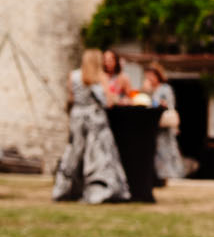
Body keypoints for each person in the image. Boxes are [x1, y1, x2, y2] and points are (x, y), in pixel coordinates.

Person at [52, 47, 128, 203]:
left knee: (75, 152)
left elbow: (71, 99)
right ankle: (100, 190)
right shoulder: (100, 77)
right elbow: (108, 102)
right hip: (95, 119)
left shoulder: (73, 76)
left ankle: (66, 189)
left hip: (77, 117)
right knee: (98, 154)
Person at [144, 65, 185, 184]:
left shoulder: (165, 89)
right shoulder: (151, 90)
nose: (150, 78)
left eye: (152, 75)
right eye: (148, 76)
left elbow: (170, 106)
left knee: (166, 151)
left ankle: (167, 176)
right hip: (154, 126)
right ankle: (158, 176)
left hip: (164, 126)